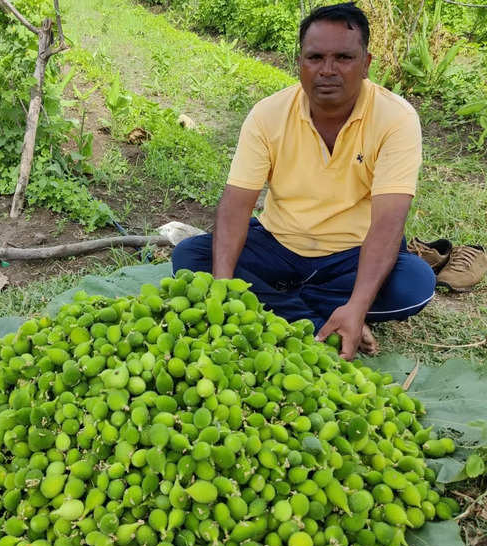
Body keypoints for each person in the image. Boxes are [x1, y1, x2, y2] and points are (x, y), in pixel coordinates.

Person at [172, 2, 436, 361]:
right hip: (277, 245)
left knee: (415, 285)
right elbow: (236, 204)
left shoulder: (396, 118)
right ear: (300, 63)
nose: (328, 70)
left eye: (343, 57)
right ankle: (316, 318)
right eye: (315, 58)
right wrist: (222, 290)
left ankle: (309, 307)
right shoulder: (268, 114)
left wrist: (358, 303)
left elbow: (389, 222)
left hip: (351, 255)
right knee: (191, 256)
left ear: (366, 63)